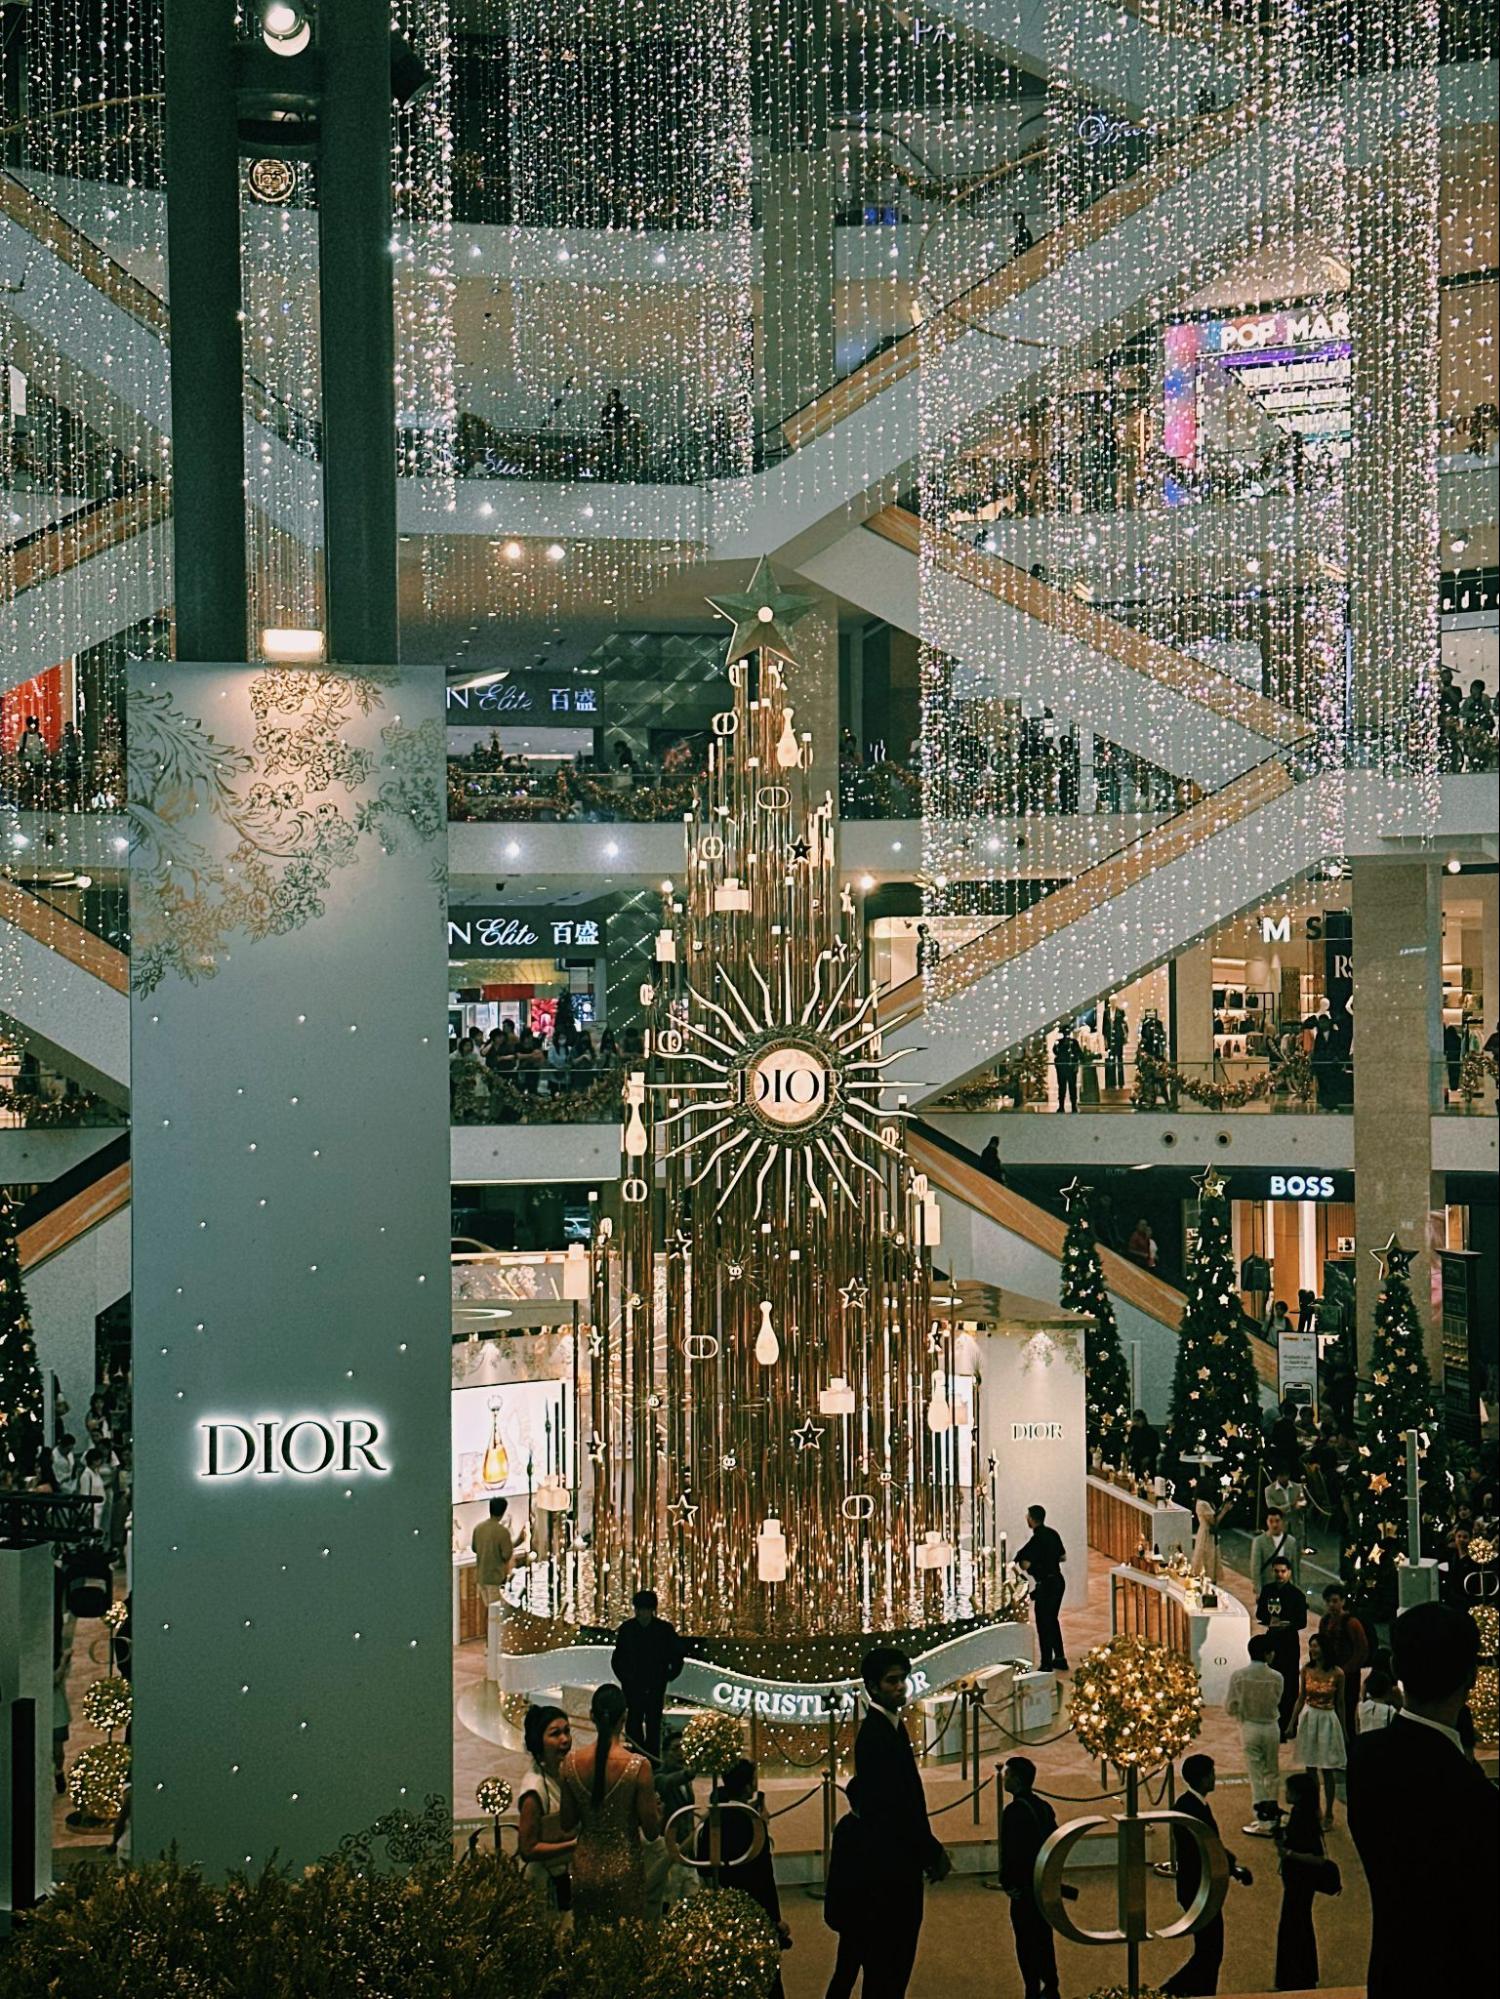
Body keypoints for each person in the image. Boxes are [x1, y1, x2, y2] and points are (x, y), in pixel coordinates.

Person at [1348, 1602, 1499, 1998]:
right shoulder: (1478, 1801)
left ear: (1396, 1669)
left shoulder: (1365, 1758)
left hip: (1393, 1973)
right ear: (1472, 1677)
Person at [849, 1647, 950, 1998]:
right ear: (872, 1687)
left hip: (899, 1864)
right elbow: (894, 1809)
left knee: (896, 1959)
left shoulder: (891, 1726)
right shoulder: (875, 1736)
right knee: (889, 1960)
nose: (901, 1687)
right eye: (892, 1681)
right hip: (891, 1870)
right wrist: (929, 1851)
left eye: (902, 1679)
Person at [559, 1682, 661, 1928]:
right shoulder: (638, 1767)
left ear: (592, 1716)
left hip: (584, 1867)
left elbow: (567, 1823)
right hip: (625, 1867)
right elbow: (651, 1831)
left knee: (587, 1943)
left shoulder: (571, 1763)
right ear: (624, 1717)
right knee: (624, 1943)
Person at [699, 1760, 791, 1995]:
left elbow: (705, 1869)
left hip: (725, 1904)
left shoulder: (714, 1817)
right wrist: (775, 1918)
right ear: (747, 1786)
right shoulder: (751, 1821)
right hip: (754, 1906)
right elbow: (763, 1875)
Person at [1161, 1753, 1249, 1996]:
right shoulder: (1190, 1809)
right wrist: (1231, 1866)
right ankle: (1176, 1990)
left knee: (1209, 1948)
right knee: (1210, 1949)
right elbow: (1206, 1849)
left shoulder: (1191, 1804)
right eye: (1211, 1773)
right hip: (1198, 1887)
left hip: (1200, 1885)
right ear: (1201, 1779)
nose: (1214, 1777)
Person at [1273, 1768, 1341, 1990]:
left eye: (1289, 1790)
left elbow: (1317, 1858)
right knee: (1298, 1924)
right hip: (1299, 1879)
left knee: (1294, 1925)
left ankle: (1294, 1975)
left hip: (1300, 1879)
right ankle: (1301, 1974)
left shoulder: (1303, 1818)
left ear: (1298, 1794)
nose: (1286, 1793)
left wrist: (1289, 1854)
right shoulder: (1303, 1813)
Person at [999, 1757, 1060, 1999]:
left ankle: (1032, 1988)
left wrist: (1009, 1883)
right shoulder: (1044, 1806)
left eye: (1007, 1775)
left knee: (1025, 1939)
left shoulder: (1014, 1811)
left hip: (1024, 1888)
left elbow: (1012, 1852)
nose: (1004, 1779)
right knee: (1044, 1936)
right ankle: (1051, 1982)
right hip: (1042, 1883)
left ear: (1016, 1779)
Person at [610, 1588, 686, 1760]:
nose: (642, 1613)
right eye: (639, 1609)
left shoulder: (664, 1630)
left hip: (654, 1687)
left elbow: (677, 1656)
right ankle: (634, 1760)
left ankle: (652, 1763)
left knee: (653, 1727)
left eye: (645, 1609)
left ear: (652, 1610)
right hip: (633, 1687)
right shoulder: (627, 1629)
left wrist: (667, 1676)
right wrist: (626, 1679)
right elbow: (617, 1659)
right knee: (633, 1725)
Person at [517, 1704, 576, 1908]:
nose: (565, 1740)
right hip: (542, 1886)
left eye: (567, 1732)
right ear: (538, 1741)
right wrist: (575, 1845)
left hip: (564, 1878)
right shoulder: (534, 1788)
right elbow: (527, 1848)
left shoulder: (565, 1775)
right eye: (555, 1734)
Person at [1225, 1633, 1284, 1834]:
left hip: (1249, 1727)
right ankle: (1273, 1816)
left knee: (1256, 1774)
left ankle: (1262, 1819)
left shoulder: (1239, 1676)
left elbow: (1230, 1706)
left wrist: (1241, 1713)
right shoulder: (1277, 1677)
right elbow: (1278, 1700)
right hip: (1271, 1727)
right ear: (1268, 1654)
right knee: (1272, 1773)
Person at [1290, 1631, 1346, 1827]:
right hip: (1309, 1717)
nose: (1313, 1649)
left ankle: (1330, 1811)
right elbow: (1300, 1697)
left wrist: (1344, 1731)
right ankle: (1314, 1808)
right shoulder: (1306, 1670)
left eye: (1316, 1646)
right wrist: (1292, 1723)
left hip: (1327, 1719)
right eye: (1311, 1645)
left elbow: (1340, 1703)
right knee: (1310, 1767)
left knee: (1328, 1768)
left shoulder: (1338, 1673)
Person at [822, 1776, 867, 1999]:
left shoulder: (844, 1827)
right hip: (867, 1914)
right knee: (850, 1973)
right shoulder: (872, 1829)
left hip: (852, 1917)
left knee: (844, 1973)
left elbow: (836, 1875)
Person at [1255, 1555, 1308, 1740]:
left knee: (1290, 1684)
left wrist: (1288, 1624)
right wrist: (1269, 1620)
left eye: (1283, 1571)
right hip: (1272, 1640)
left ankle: (1288, 1725)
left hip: (1289, 1642)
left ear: (1289, 1572)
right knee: (1271, 1682)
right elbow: (1260, 1613)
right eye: (1276, 1571)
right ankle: (1271, 1723)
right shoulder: (1268, 1590)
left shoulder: (1297, 1595)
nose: (1279, 1575)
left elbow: (1302, 1622)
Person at [1015, 1504, 1068, 1672]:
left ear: (1032, 1519)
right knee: (1052, 1620)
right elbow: (1062, 1556)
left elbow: (1023, 1563)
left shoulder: (1036, 1540)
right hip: (1058, 1581)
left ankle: (1046, 1663)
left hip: (1045, 1585)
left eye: (1028, 1516)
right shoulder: (1053, 1533)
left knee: (1043, 1623)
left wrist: (1035, 1566)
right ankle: (1059, 1658)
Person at [1317, 1583, 1368, 1737]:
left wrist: (1345, 1670)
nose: (1331, 1605)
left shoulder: (1352, 1623)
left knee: (1347, 1712)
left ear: (1343, 1601)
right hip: (1329, 1674)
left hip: (1348, 1676)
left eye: (1335, 1601)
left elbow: (1362, 1650)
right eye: (1328, 1601)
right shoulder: (1324, 1622)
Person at [471, 1496, 514, 1607]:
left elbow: (474, 1548)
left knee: (488, 1609)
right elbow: (506, 1555)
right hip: (495, 1579)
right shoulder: (503, 1532)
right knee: (496, 1614)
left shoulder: (478, 1528)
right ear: (503, 1511)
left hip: (481, 1577)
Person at [1248, 1505, 1301, 1591]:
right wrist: (1258, 1590)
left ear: (1282, 1521)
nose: (1274, 1524)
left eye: (1277, 1521)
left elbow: (1295, 1568)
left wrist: (1297, 1588)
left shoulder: (1291, 1541)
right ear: (1267, 1522)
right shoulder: (1259, 1542)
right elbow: (1255, 1568)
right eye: (1271, 1521)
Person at [1355, 1666, 1399, 1734]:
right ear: (1387, 1691)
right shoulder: (1390, 1711)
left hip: (1363, 1741)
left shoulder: (1360, 1707)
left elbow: (1357, 1729)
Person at [1051, 1024, 1082, 1112]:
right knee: (1062, 1087)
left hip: (1071, 1068)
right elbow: (1055, 1052)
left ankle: (1073, 1106)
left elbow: (1078, 1053)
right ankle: (1061, 1106)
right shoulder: (1059, 1042)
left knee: (1072, 1087)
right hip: (1062, 1068)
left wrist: (1076, 1064)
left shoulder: (1073, 1042)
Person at [1125, 1408, 1160, 1482]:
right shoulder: (1134, 1430)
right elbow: (1130, 1443)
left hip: (1148, 1464)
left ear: (1143, 1419)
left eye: (1138, 1420)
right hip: (1136, 1461)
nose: (1136, 1423)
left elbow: (1156, 1449)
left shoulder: (1152, 1433)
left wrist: (1148, 1458)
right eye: (1134, 1420)